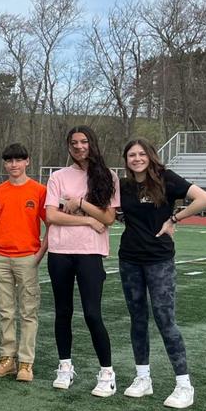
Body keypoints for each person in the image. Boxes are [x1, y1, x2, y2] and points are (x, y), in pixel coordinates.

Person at [117, 138, 206, 408]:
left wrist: (174, 219)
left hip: (159, 260)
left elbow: (205, 199)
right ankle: (142, 378)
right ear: (126, 160)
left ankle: (184, 385)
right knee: (137, 320)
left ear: (150, 156)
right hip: (129, 259)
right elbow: (112, 212)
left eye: (141, 154)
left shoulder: (166, 178)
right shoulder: (123, 186)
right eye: (131, 155)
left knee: (165, 320)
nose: (136, 159)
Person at [45, 125, 121, 397]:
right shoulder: (58, 177)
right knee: (62, 312)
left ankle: (107, 373)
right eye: (74, 142)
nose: (79, 146)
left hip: (90, 253)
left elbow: (109, 218)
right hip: (60, 252)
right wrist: (89, 219)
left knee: (92, 313)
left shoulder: (108, 176)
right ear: (68, 146)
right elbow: (52, 216)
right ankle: (65, 367)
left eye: (84, 141)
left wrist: (80, 203)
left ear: (92, 143)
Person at [0, 143, 47, 382]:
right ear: (5, 163)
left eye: (18, 160)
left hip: (27, 258)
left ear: (27, 162)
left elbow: (50, 223)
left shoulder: (39, 191)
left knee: (29, 312)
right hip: (1, 257)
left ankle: (26, 363)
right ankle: (7, 359)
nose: (14, 165)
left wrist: (40, 253)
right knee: (5, 311)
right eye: (9, 161)